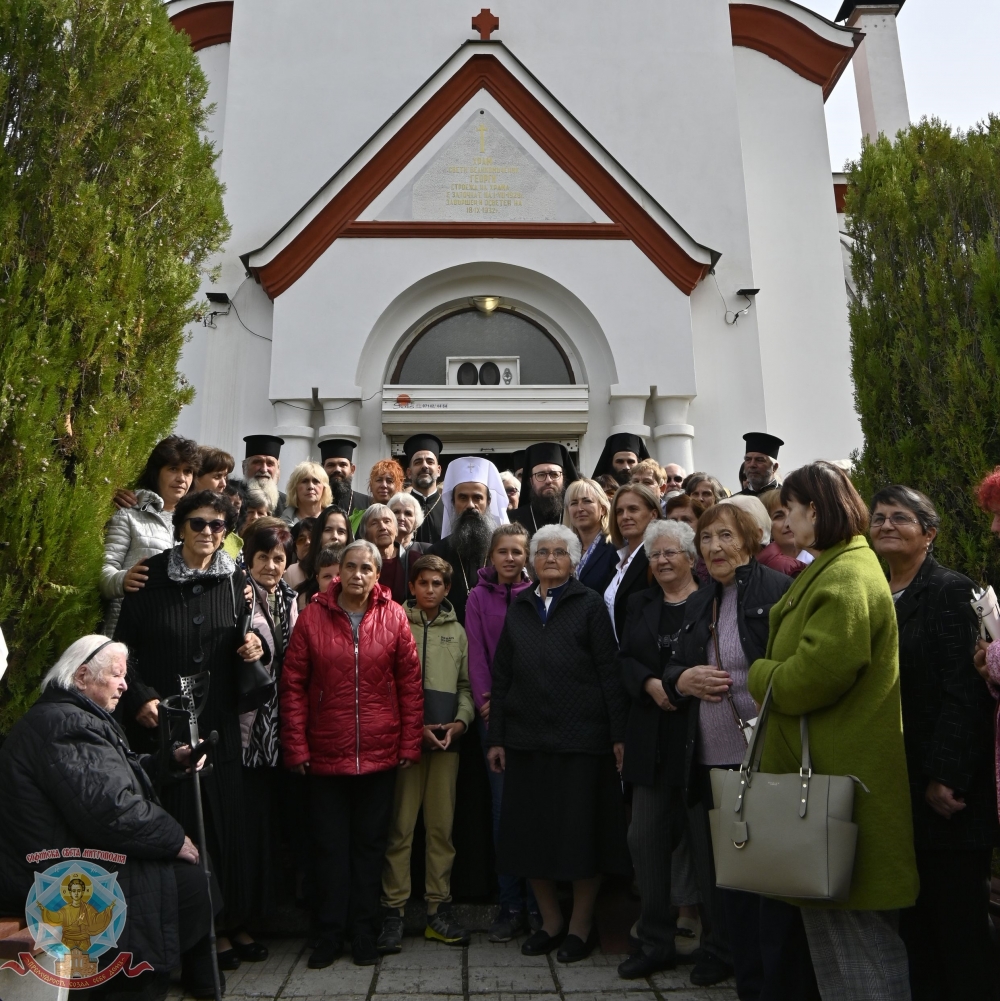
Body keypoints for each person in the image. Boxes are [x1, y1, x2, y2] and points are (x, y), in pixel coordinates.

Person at [747, 462, 918, 999]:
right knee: (834, 937)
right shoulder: (837, 566)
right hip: (829, 782)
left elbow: (810, 679)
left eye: (789, 509)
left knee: (859, 946)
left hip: (841, 787)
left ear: (815, 510)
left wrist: (759, 673)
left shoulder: (845, 575)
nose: (785, 520)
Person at [0, 636, 222, 999]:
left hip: (72, 856)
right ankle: (153, 984)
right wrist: (174, 837)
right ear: (83, 675)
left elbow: (114, 777)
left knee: (193, 874)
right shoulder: (65, 725)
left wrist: (168, 760)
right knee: (185, 880)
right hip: (53, 873)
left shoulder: (71, 716)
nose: (124, 684)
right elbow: (111, 811)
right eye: (117, 675)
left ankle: (199, 981)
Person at [113, 489, 268, 970]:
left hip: (217, 720)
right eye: (198, 523)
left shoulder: (235, 577)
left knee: (227, 823)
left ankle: (232, 919)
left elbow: (252, 632)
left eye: (218, 526)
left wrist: (253, 646)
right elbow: (121, 652)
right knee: (185, 824)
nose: (207, 533)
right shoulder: (149, 577)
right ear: (179, 526)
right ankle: (202, 931)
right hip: (166, 726)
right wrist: (138, 697)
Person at [664, 502, 808, 995]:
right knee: (733, 888)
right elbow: (671, 667)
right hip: (711, 762)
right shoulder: (702, 597)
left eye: (725, 536)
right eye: (706, 539)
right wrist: (682, 678)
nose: (714, 548)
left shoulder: (778, 591)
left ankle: (777, 987)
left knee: (772, 889)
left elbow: (794, 671)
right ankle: (749, 985)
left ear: (749, 538)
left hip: (766, 759)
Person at [869, 485, 997, 1001]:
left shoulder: (948, 590)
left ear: (930, 533)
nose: (886, 526)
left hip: (947, 797)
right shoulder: (876, 592)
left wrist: (946, 776)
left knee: (959, 928)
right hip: (899, 785)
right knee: (916, 928)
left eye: (901, 518)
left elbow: (964, 692)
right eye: (878, 518)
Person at [487, 524, 630, 963]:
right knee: (531, 839)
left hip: (582, 743)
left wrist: (618, 734)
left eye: (560, 552)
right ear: (532, 560)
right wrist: (497, 737)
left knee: (581, 839)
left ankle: (580, 926)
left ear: (572, 560)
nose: (550, 558)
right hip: (527, 741)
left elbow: (609, 672)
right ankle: (550, 922)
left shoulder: (588, 604)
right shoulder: (521, 605)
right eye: (543, 551)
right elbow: (503, 675)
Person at [280, 539, 424, 969]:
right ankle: (328, 934)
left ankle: (363, 931)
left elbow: (409, 685)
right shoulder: (312, 617)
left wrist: (409, 743)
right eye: (351, 566)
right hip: (326, 752)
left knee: (369, 848)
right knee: (328, 848)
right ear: (338, 570)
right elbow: (293, 687)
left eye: (367, 568)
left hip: (380, 755)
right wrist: (297, 746)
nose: (358, 574)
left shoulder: (393, 615)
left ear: (378, 575)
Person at [378, 555, 475, 953]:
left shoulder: (459, 630)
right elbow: (383, 685)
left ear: (447, 588)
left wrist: (461, 722)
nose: (430, 590)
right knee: (400, 829)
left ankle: (438, 910)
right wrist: (411, 728)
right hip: (405, 744)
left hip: (446, 744)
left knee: (441, 829)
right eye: (423, 583)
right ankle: (393, 913)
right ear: (413, 587)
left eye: (438, 583)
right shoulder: (395, 622)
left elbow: (467, 686)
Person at [617, 520, 701, 979]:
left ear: (691, 556)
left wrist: (678, 685)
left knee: (703, 845)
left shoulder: (711, 600)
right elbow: (626, 659)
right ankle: (654, 941)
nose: (663, 561)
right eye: (654, 555)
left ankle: (719, 945)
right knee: (644, 841)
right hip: (649, 734)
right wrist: (651, 684)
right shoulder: (639, 603)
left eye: (671, 552)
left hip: (698, 736)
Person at [464, 523, 534, 941]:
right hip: (495, 719)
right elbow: (477, 655)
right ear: (491, 556)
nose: (510, 558)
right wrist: (489, 706)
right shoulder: (477, 598)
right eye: (503, 552)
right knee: (503, 811)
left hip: (535, 719)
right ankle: (510, 904)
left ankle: (538, 903)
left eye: (517, 552)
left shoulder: (538, 594)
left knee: (538, 810)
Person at [242, 518, 299, 932]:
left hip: (282, 722)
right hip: (248, 726)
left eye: (278, 558)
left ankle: (270, 911)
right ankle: (246, 916)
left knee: (280, 820)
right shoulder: (237, 595)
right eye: (262, 557)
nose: (271, 565)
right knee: (251, 821)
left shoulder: (290, 598)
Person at [101, 435, 199, 636]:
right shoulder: (129, 515)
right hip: (127, 633)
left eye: (188, 471)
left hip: (175, 635)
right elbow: (104, 571)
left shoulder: (198, 526)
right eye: (173, 469)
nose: (181, 478)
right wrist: (122, 580)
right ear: (157, 473)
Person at [427, 456, 509, 625]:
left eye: (477, 498)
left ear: (488, 502)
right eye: (463, 498)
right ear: (453, 502)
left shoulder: (504, 551)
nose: (470, 505)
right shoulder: (437, 553)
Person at [605, 483, 662, 641]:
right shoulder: (619, 562)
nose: (625, 516)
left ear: (653, 514)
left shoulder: (658, 559)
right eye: (619, 511)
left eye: (633, 509)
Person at [509, 441, 580, 534]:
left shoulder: (576, 515)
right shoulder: (513, 519)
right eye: (541, 475)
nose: (548, 481)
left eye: (554, 474)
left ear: (563, 478)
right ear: (531, 480)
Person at [563, 478, 618, 595]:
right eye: (573, 503)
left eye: (587, 501)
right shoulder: (564, 548)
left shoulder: (616, 547)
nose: (580, 508)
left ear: (602, 509)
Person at [297, 505, 354, 606]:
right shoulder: (296, 572)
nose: (335, 537)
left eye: (341, 532)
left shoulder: (355, 571)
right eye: (328, 530)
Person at [359, 504, 408, 603]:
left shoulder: (412, 560)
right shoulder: (358, 564)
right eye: (374, 523)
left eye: (387, 521)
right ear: (365, 534)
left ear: (396, 529)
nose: (382, 527)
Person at [319, 439, 370, 531]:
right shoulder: (315, 503)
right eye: (331, 465)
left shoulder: (367, 504)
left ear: (352, 469)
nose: (337, 469)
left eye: (343, 465)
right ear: (322, 469)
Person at [757, 489, 809, 577]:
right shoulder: (761, 571)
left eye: (793, 513)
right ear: (766, 526)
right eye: (779, 516)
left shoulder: (821, 556)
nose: (789, 523)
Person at [404, 434, 445, 544]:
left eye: (430, 462)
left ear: (438, 470)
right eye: (418, 462)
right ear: (409, 472)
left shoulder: (449, 507)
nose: (424, 466)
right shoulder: (400, 507)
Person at [240, 434, 286, 513]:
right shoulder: (234, 499)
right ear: (244, 467)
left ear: (278, 470)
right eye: (257, 462)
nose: (264, 469)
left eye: (270, 463)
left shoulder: (287, 504)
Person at [280, 461, 332, 525]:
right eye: (304, 481)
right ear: (294, 488)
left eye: (316, 481)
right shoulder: (283, 525)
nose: (310, 487)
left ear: (324, 488)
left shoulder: (336, 519)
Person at [739, 432, 782, 496]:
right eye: (748, 459)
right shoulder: (734, 502)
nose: (752, 465)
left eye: (759, 460)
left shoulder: (787, 498)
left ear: (774, 467)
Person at [284, 516, 317, 590]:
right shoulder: (290, 572)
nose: (308, 542)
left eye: (312, 537)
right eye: (301, 540)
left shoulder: (332, 567)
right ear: (294, 548)